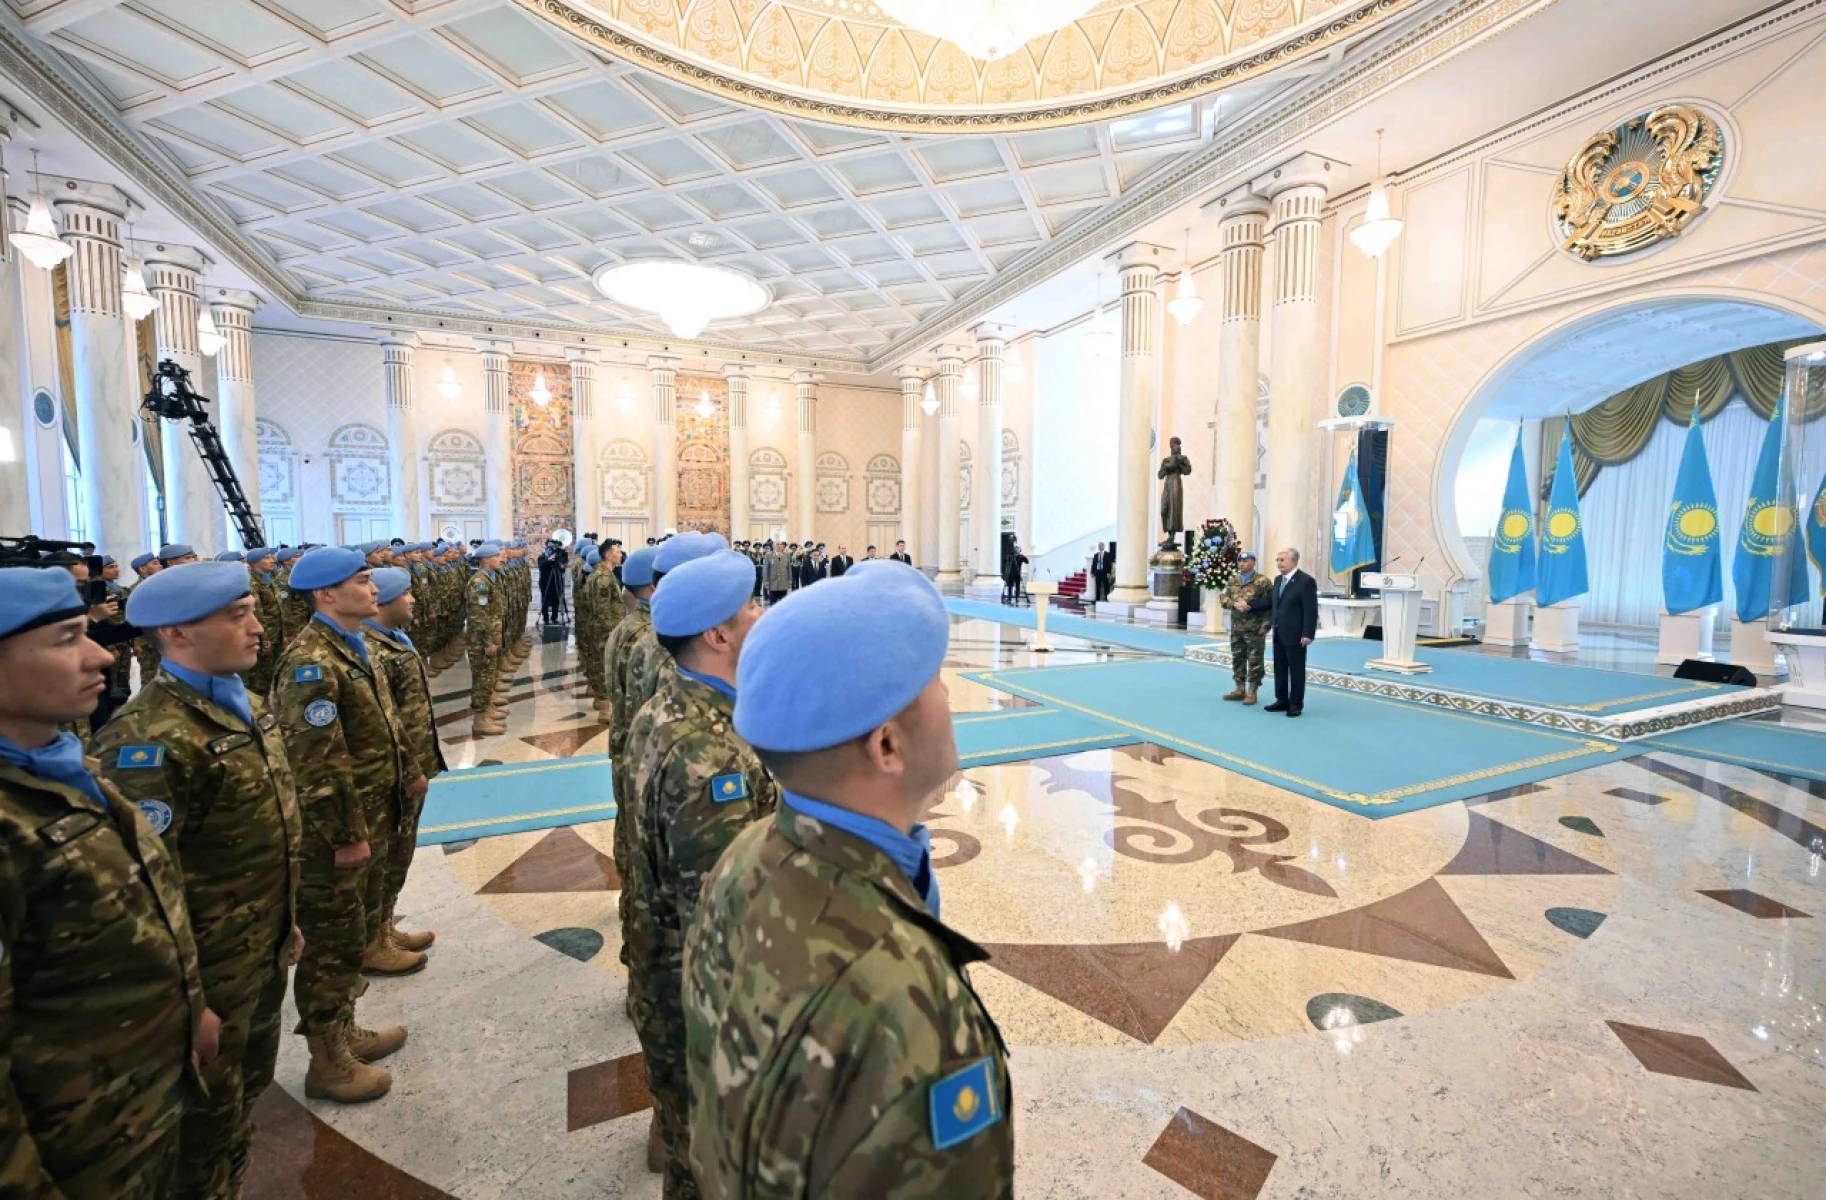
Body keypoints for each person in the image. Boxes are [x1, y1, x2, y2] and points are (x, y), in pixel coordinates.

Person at [685, 562, 1013, 1194]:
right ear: (886, 746)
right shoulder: (907, 1002)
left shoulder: (749, 853)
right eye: (933, 683)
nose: (948, 696)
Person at [93, 562, 303, 1198]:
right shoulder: (145, 741)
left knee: (243, 1093)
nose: (258, 627)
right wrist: (185, 1004)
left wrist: (287, 920)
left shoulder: (247, 706)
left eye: (252, 611)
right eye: (237, 616)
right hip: (205, 973)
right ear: (177, 633)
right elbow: (144, 893)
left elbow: (270, 832)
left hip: (258, 948)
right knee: (202, 1126)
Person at [0, 567, 212, 1196]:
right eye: (67, 639)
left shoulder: (60, 765)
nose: (100, 655)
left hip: (136, 1101)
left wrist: (189, 1006)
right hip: (73, 1148)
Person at [624, 551, 779, 1197]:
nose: (761, 614)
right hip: (701, 1001)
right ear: (718, 636)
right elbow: (720, 917)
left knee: (690, 1139)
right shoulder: (706, 753)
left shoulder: (676, 707)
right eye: (751, 607)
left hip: (667, 973)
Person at [271, 546, 420, 1105]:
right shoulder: (311, 662)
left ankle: (345, 1028)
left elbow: (384, 723)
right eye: (361, 581)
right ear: (326, 594)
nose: (374, 589)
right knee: (332, 943)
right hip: (341, 828)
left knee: (353, 927)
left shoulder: (354, 646)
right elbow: (317, 761)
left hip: (374, 811)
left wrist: (407, 771)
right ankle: (327, 1061)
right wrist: (345, 835)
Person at [362, 567, 444, 959]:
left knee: (399, 852)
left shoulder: (393, 639)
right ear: (384, 601)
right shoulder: (371, 650)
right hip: (390, 773)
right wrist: (408, 769)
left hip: (408, 767)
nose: (412, 599)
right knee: (385, 855)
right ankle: (373, 941)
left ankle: (384, 926)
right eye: (405, 593)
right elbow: (383, 720)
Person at [604, 545, 658, 894]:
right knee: (636, 831)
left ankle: (630, 891)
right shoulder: (646, 634)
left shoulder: (628, 626)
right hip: (637, 749)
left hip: (624, 743)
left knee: (627, 824)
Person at [1265, 547, 1318, 717]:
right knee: (1280, 668)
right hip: (1279, 632)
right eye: (1277, 560)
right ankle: (1281, 699)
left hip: (1296, 634)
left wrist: (1308, 633)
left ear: (1294, 561)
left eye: (1283, 560)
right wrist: (1250, 605)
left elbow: (1310, 609)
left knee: (1296, 670)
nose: (1279, 563)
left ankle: (1295, 703)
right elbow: (1273, 603)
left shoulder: (1305, 581)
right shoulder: (1278, 580)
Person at [1221, 550, 1274, 706]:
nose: (1242, 564)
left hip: (1254, 628)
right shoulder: (1233, 580)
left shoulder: (1262, 581)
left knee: (1255, 659)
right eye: (1240, 561)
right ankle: (1239, 688)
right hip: (1236, 627)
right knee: (1238, 657)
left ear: (1253, 562)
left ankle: (1252, 691)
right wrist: (1234, 604)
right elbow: (1223, 598)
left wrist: (1267, 624)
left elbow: (1270, 604)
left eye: (1246, 561)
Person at [466, 542, 507, 736]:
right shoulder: (479, 583)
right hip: (482, 640)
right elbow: (478, 616)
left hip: (492, 635)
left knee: (490, 676)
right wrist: (488, 642)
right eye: (497, 556)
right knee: (483, 678)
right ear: (486, 559)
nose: (501, 559)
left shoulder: (490, 578)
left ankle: (487, 709)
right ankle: (480, 720)